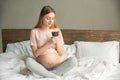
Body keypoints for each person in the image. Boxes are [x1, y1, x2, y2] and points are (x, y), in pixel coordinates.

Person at [25, 5, 77, 78]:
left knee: (73, 60)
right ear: (42, 18)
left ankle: (48, 75)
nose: (51, 21)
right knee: (28, 61)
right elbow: (35, 54)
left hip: (57, 66)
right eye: (48, 18)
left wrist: (57, 42)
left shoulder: (57, 31)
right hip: (41, 66)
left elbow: (61, 53)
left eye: (52, 18)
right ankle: (54, 75)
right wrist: (49, 44)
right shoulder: (34, 31)